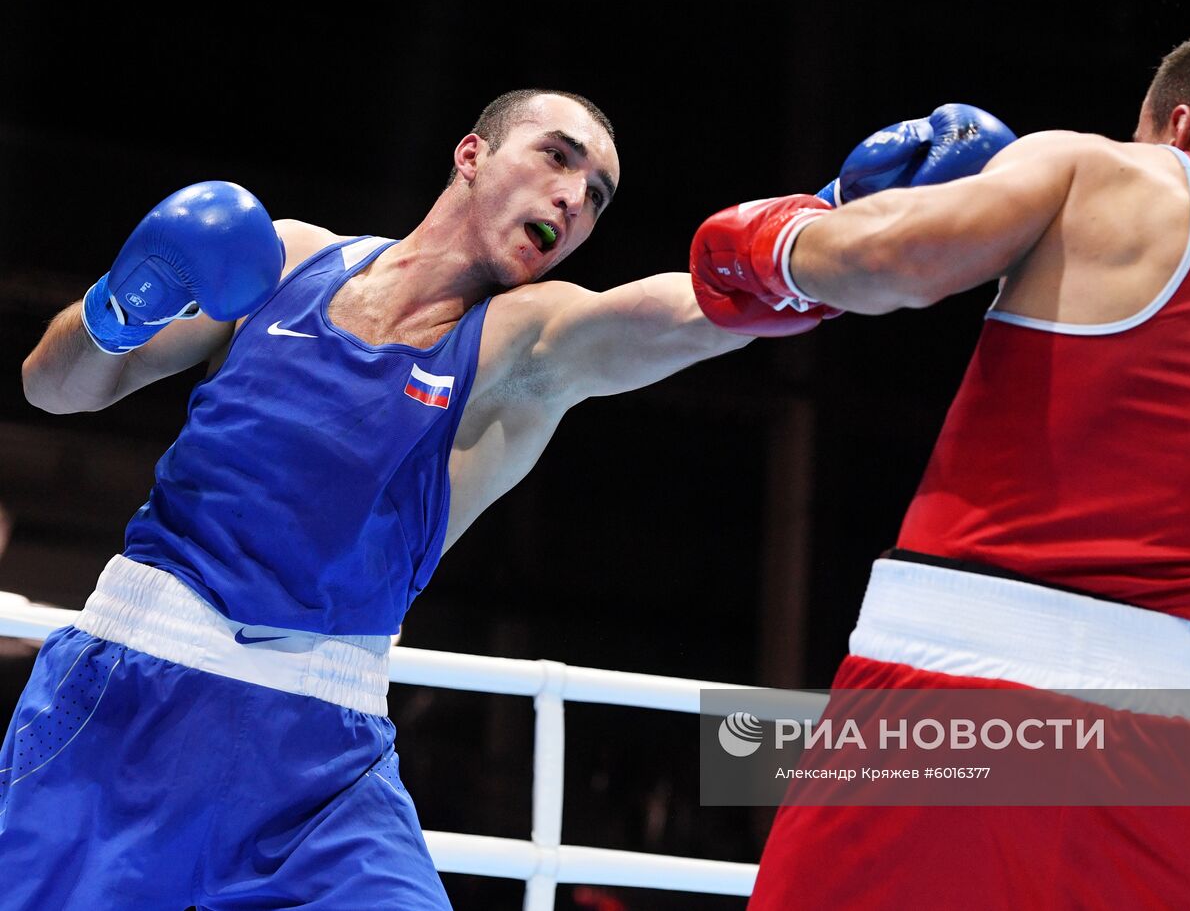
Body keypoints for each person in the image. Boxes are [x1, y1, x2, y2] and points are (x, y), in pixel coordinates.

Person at [2, 88, 1010, 908]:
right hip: (127, 704)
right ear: (471, 154)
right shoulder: (287, 259)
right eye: (558, 157)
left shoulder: (519, 346)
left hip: (318, 769)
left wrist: (830, 219)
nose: (575, 199)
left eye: (600, 195)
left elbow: (673, 317)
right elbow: (54, 386)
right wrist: (118, 309)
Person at [691, 25, 1190, 909]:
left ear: (1177, 128)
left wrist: (771, 239)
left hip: (956, 698)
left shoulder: (1102, 170)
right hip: (1183, 752)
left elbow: (889, 259)